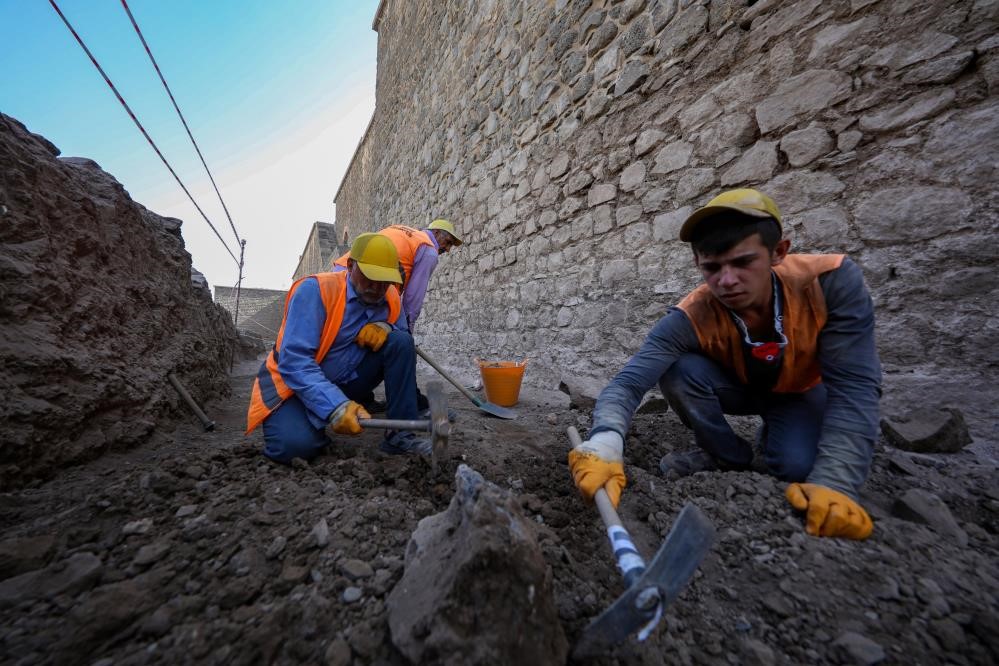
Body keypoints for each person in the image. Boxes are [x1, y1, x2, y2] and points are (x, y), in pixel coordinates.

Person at [568, 188, 882, 540]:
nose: (727, 281)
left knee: (798, 468)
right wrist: (606, 441)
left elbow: (855, 386)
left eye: (743, 262)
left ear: (778, 252)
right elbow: (628, 384)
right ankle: (727, 456)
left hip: (800, 391)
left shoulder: (829, 282)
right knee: (678, 370)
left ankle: (779, 435)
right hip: (740, 388)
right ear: (698, 265)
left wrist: (837, 482)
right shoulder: (691, 315)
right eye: (712, 268)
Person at [246, 233, 431, 463]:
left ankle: (400, 435)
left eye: (384, 280)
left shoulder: (390, 295)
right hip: (294, 388)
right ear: (351, 266)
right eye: (369, 277)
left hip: (347, 379)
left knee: (402, 342)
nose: (376, 287)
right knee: (293, 447)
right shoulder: (315, 291)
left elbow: (402, 335)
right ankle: (316, 419)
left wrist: (387, 327)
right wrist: (335, 406)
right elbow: (295, 363)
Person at [332, 219, 463, 332]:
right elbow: (413, 299)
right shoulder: (429, 251)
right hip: (364, 281)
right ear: (436, 232)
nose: (448, 249)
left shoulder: (402, 230)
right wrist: (406, 331)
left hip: (342, 271)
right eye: (448, 242)